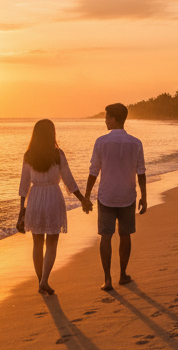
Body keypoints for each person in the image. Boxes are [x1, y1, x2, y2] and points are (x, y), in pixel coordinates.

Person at [18, 119, 91, 296]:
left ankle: (41, 281)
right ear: (52, 133)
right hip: (52, 197)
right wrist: (82, 199)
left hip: (35, 198)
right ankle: (44, 281)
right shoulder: (57, 154)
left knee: (37, 243)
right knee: (51, 242)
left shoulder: (29, 155)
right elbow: (69, 180)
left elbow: (24, 184)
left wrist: (22, 209)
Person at [84, 103, 146, 292]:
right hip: (127, 194)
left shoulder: (101, 142)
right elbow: (141, 172)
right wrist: (144, 196)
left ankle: (107, 279)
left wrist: (87, 195)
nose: (104, 120)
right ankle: (123, 274)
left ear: (113, 119)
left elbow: (94, 171)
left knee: (106, 236)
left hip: (106, 196)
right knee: (125, 235)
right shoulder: (136, 142)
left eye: (107, 117)